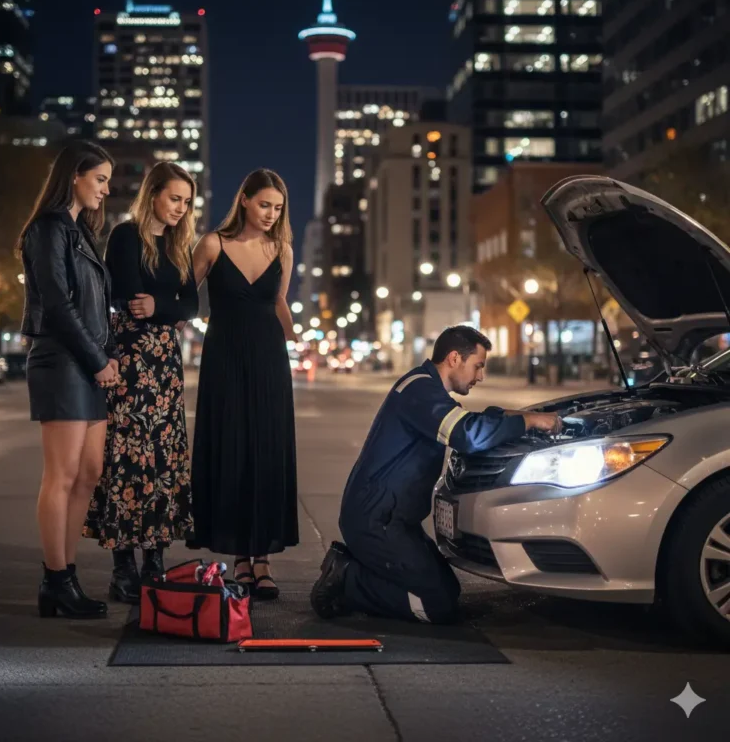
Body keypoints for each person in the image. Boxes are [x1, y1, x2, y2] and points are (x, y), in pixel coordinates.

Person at [310, 326, 562, 625]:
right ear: (455, 358)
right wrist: (528, 421)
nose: (480, 376)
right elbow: (465, 434)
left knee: (450, 590)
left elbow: (466, 421)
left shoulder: (427, 388)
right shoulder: (419, 390)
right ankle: (346, 579)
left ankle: (368, 572)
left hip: (393, 519)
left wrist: (507, 416)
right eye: (478, 366)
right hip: (377, 521)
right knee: (436, 605)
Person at [84, 162, 199, 604]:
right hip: (131, 359)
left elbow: (191, 303)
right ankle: (123, 568)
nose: (180, 208)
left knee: (164, 461)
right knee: (128, 458)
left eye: (186, 201)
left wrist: (162, 307)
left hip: (166, 363)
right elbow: (132, 300)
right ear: (153, 193)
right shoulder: (126, 235)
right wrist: (162, 306)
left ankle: (155, 560)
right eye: (174, 198)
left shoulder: (178, 244)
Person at [16, 140, 119, 619]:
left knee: (90, 470)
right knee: (60, 474)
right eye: (99, 179)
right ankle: (57, 580)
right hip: (61, 360)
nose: (105, 189)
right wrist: (97, 359)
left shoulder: (79, 233)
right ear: (74, 175)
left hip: (88, 360)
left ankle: (66, 574)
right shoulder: (48, 229)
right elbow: (57, 304)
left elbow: (96, 306)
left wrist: (106, 355)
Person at [188, 169, 298, 600]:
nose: (271, 213)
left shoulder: (283, 249)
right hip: (225, 361)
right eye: (264, 204)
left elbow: (278, 302)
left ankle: (264, 560)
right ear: (245, 201)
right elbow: (184, 291)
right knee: (232, 449)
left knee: (267, 452)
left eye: (278, 207)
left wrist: (295, 335)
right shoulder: (213, 244)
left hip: (270, 360)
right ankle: (239, 560)